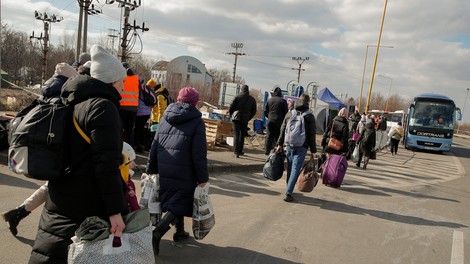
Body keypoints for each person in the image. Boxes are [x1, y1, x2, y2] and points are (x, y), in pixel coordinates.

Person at [29, 44, 129, 263]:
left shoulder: (73, 100)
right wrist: (115, 211)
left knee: (49, 250)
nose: (124, 85)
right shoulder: (104, 108)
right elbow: (105, 165)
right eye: (122, 80)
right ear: (112, 79)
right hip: (86, 203)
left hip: (60, 193)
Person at [2, 62, 78, 236]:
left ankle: (18, 213)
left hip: (44, 153)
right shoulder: (64, 97)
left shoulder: (46, 93)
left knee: (49, 187)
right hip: (57, 154)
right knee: (56, 193)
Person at [146, 87, 209, 256]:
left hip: (165, 166)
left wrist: (151, 167)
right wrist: (202, 177)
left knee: (175, 199)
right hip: (185, 169)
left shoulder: (166, 116)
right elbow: (199, 154)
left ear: (178, 99)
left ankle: (179, 232)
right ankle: (158, 232)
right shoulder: (197, 121)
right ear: (195, 103)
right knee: (181, 201)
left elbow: (155, 144)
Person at [276, 94, 317, 202]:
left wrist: (279, 144)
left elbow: (283, 129)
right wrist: (313, 150)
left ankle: (288, 187)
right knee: (295, 169)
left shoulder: (290, 113)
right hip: (301, 146)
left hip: (289, 144)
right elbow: (312, 134)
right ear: (308, 103)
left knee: (290, 167)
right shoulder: (309, 116)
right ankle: (288, 192)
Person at [228, 84, 257, 158]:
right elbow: (254, 111)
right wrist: (248, 117)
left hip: (236, 118)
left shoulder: (237, 97)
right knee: (242, 135)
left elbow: (231, 107)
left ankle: (236, 152)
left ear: (241, 89)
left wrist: (231, 114)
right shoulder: (252, 99)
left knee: (236, 134)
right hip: (245, 119)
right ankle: (240, 151)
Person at [120, 62, 140, 147]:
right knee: (129, 130)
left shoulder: (121, 77)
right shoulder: (136, 78)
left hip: (122, 107)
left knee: (120, 129)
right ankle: (129, 149)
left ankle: (120, 147)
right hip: (133, 108)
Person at [264, 86, 288, 155]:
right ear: (281, 94)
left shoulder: (269, 100)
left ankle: (267, 151)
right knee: (278, 136)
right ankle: (278, 151)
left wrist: (268, 117)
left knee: (269, 135)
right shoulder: (283, 101)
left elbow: (265, 111)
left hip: (270, 120)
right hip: (279, 121)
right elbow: (286, 112)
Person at [134, 81, 152, 153]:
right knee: (142, 129)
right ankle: (143, 146)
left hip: (139, 113)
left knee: (137, 130)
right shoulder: (147, 90)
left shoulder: (138, 90)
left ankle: (137, 146)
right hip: (147, 113)